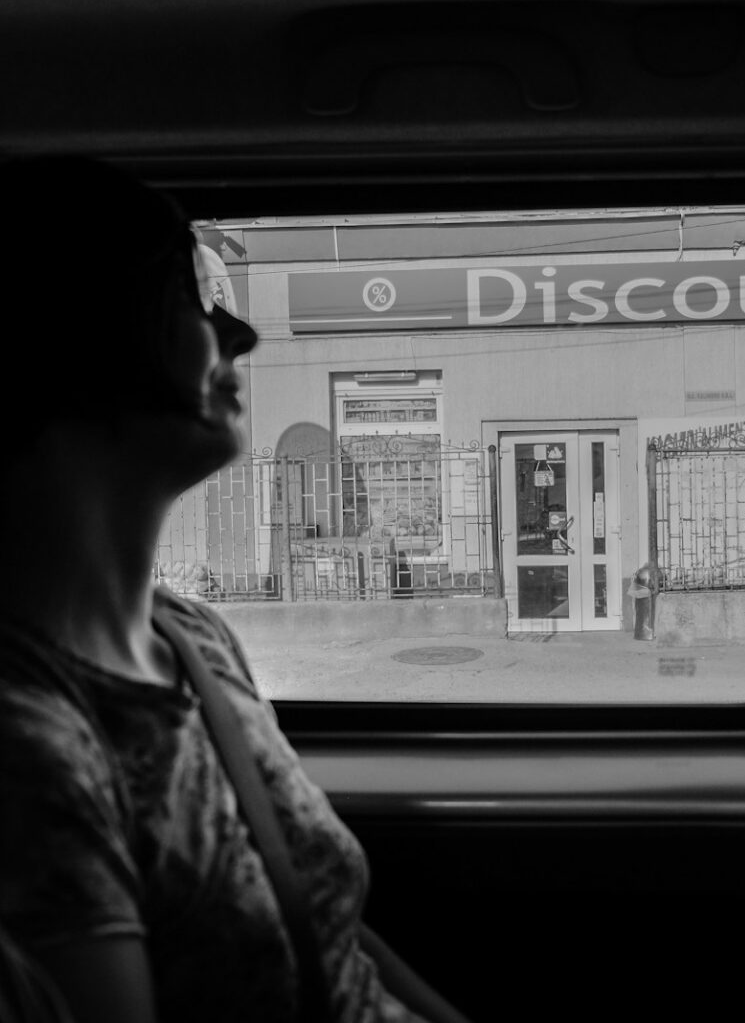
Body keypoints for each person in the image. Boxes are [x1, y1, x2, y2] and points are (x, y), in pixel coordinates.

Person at [0, 156, 468, 1023]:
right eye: (191, 302)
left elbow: (327, 934)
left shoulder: (192, 637)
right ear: (74, 338)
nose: (238, 337)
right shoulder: (27, 747)